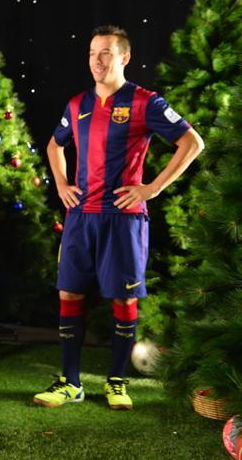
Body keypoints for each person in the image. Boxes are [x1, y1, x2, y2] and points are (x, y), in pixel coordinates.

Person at [33, 26, 204, 410]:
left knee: (123, 298)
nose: (97, 60)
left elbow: (192, 143)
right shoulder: (77, 104)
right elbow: (54, 145)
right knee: (69, 293)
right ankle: (70, 382)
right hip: (81, 217)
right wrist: (61, 183)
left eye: (106, 53)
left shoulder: (146, 102)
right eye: (92, 53)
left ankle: (116, 381)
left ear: (124, 57)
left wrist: (152, 188)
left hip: (123, 219)